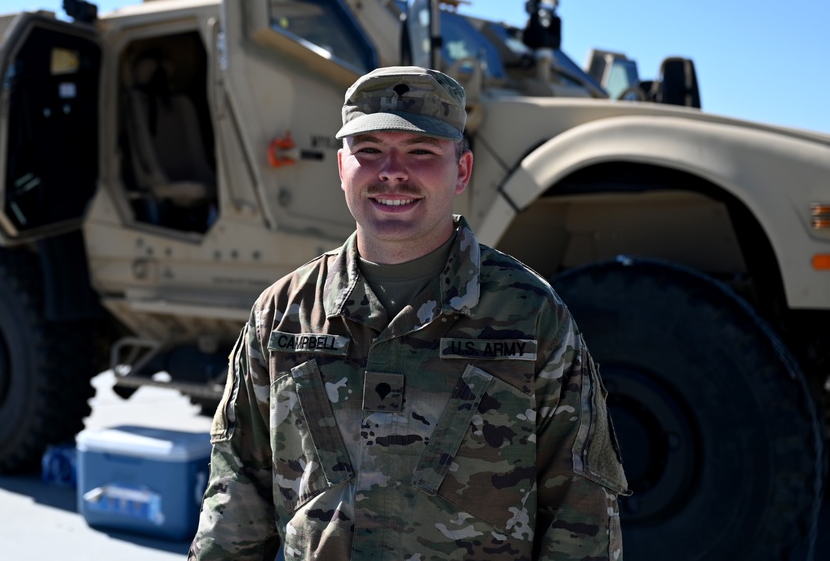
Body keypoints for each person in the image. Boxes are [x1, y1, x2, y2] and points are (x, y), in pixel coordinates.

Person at [189, 66, 628, 560]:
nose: (392, 172)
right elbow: (236, 494)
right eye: (369, 151)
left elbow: (581, 511)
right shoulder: (284, 315)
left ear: (462, 170)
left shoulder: (531, 316)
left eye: (421, 152)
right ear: (341, 168)